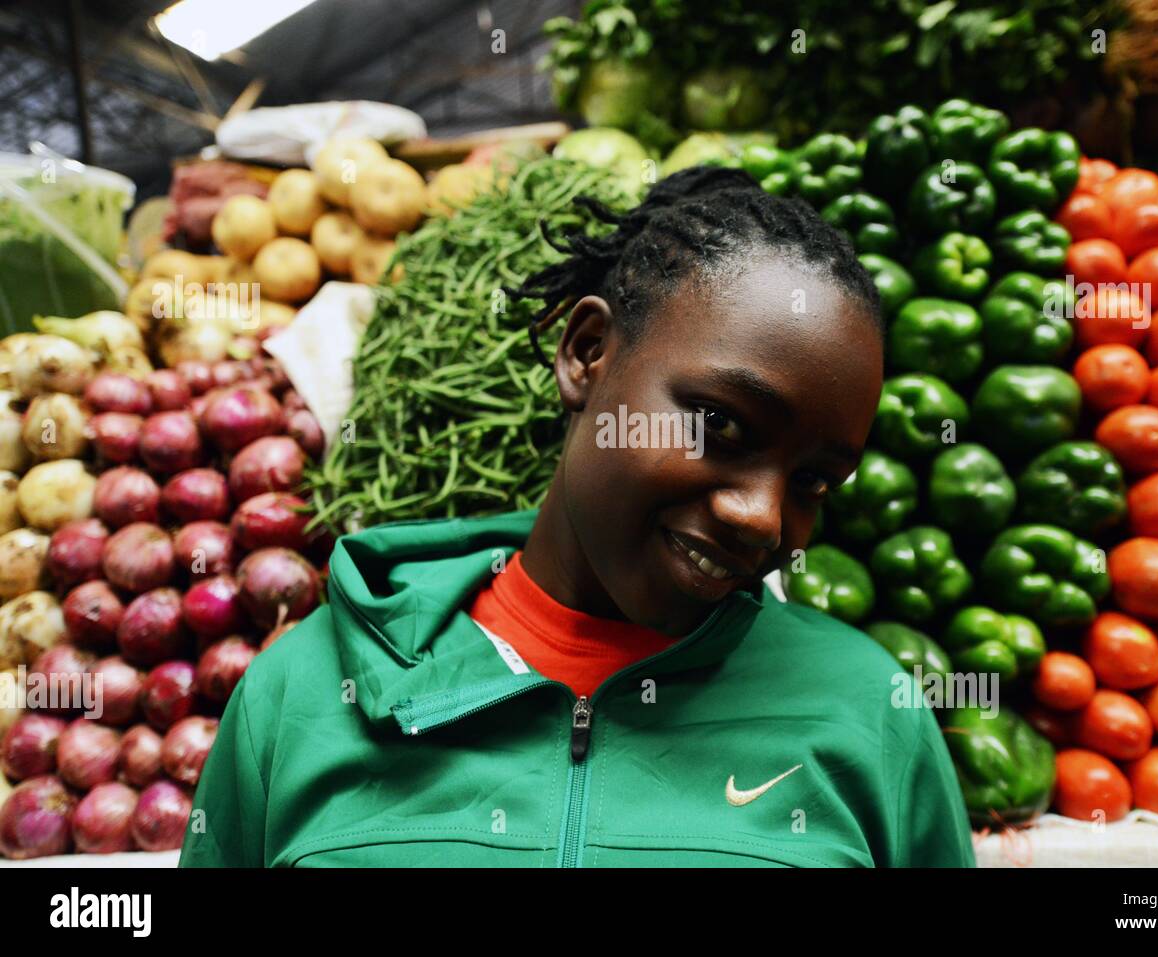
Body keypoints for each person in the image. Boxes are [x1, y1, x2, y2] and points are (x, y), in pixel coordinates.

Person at [180, 166, 975, 868]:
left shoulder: (868, 711)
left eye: (813, 480)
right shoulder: (301, 696)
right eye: (720, 426)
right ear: (588, 352)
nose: (762, 519)